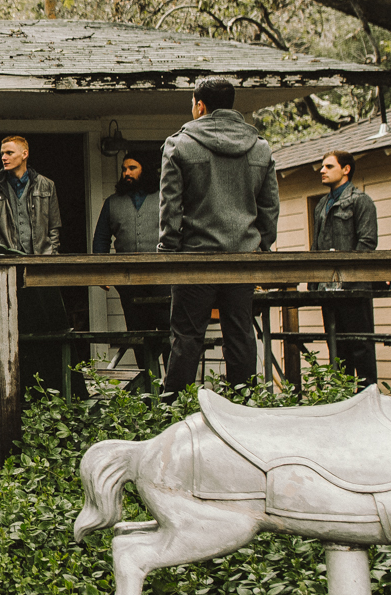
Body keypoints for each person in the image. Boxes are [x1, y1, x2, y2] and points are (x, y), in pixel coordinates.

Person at [157, 76, 278, 394]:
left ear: (200, 105)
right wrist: (260, 246)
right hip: (242, 257)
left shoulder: (179, 144)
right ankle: (244, 409)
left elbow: (170, 208)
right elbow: (269, 208)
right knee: (240, 333)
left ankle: (175, 413)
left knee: (186, 336)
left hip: (195, 258)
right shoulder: (260, 147)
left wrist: (169, 249)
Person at [0, 135, 68, 392]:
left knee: (46, 329)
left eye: (9, 152)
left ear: (24, 153)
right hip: (7, 268)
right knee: (10, 330)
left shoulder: (46, 186)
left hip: (40, 267)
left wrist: (50, 258)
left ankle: (49, 388)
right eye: (2, 153)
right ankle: (14, 389)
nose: (4, 157)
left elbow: (54, 227)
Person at [311, 149, 379, 384]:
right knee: (337, 349)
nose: (322, 170)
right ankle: (341, 399)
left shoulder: (361, 201)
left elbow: (367, 242)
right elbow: (316, 245)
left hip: (354, 288)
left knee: (361, 346)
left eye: (329, 166)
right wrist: (314, 281)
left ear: (346, 169)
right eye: (322, 166)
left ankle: (368, 395)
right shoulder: (321, 204)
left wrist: (347, 277)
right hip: (327, 289)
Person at [91, 154, 166, 334]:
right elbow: (101, 239)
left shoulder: (164, 199)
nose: (126, 173)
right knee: (137, 331)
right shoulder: (112, 202)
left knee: (167, 330)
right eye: (124, 169)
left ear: (144, 170)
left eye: (132, 168)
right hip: (128, 278)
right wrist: (103, 272)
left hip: (163, 277)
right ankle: (145, 364)